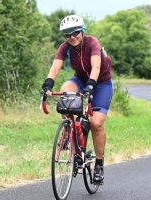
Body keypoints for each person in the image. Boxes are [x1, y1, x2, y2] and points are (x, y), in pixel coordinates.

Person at [42, 14, 113, 184]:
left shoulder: (92, 42)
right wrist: (47, 85)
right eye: (67, 35)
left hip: (101, 83)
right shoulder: (64, 47)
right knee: (65, 92)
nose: (72, 37)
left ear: (82, 31)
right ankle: (69, 131)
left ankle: (99, 164)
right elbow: (55, 68)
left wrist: (91, 86)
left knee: (96, 123)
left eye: (75, 33)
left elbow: (96, 67)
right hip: (80, 79)